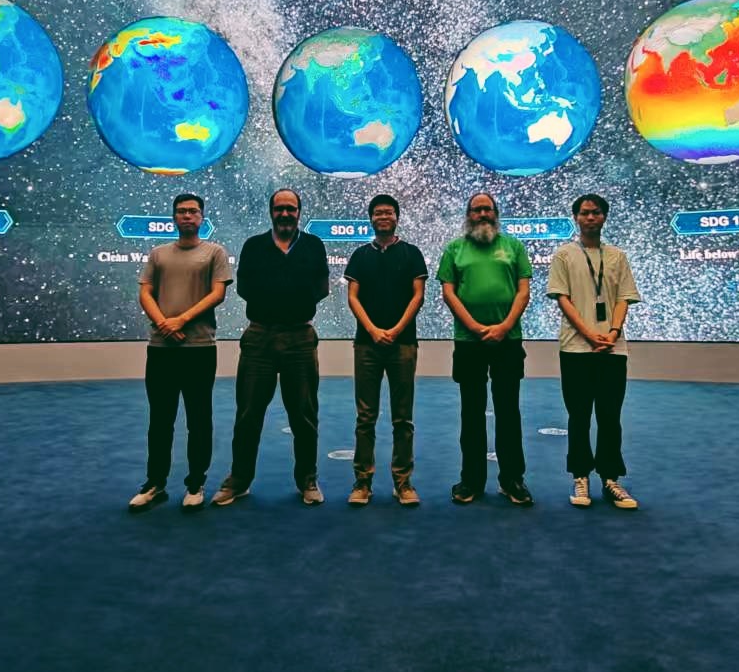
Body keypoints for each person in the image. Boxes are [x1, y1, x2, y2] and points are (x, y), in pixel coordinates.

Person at [213, 188, 331, 507]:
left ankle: (307, 479)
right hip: (259, 337)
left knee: (304, 414)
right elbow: (246, 288)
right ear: (271, 212)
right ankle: (239, 479)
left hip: (300, 338)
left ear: (299, 212)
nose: (285, 214)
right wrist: (282, 297)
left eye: (291, 208)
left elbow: (321, 288)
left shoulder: (313, 245)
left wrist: (287, 298)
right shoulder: (254, 246)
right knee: (248, 413)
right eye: (279, 208)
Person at [130, 193, 232, 512]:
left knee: (199, 419)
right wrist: (164, 324)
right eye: (181, 211)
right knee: (160, 419)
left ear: (201, 217)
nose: (187, 216)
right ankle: (155, 484)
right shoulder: (158, 254)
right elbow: (145, 292)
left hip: (199, 349)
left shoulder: (214, 252)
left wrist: (181, 320)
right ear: (174, 217)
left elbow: (217, 293)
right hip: (161, 348)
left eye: (193, 211)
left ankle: (195, 484)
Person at [437, 192, 533, 506]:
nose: (482, 214)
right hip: (469, 343)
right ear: (468, 215)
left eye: (487, 209)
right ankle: (472, 481)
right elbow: (449, 293)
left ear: (496, 213)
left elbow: (523, 291)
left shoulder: (514, 246)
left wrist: (504, 327)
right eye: (476, 210)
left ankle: (512, 479)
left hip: (508, 341)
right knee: (472, 413)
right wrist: (476, 328)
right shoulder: (454, 249)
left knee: (508, 412)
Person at [547, 193, 642, 509]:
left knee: (610, 417)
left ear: (604, 217)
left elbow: (624, 298)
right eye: (585, 213)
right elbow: (562, 299)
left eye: (596, 212)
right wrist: (589, 335)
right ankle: (580, 476)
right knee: (579, 416)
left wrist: (612, 333)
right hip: (576, 348)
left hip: (612, 349)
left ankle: (611, 478)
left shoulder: (617, 256)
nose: (590, 217)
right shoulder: (564, 255)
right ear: (576, 217)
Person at [344, 193, 428, 507]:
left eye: (389, 212)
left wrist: (395, 330)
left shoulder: (411, 253)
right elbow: (353, 297)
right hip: (367, 345)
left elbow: (418, 296)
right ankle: (362, 483)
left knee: (402, 418)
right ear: (371, 218)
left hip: (402, 344)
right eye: (378, 212)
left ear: (396, 217)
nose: (383, 216)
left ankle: (403, 483)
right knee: (365, 418)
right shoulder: (360, 255)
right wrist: (373, 330)